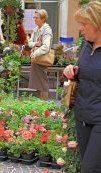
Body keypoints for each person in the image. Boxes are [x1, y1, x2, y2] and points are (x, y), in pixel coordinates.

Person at [63, 1, 101, 172]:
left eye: (84, 24)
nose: (81, 28)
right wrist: (71, 71)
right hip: (83, 116)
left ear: (97, 23)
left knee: (89, 168)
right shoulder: (86, 45)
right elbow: (86, 73)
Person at [28, 9, 53, 100]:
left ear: (43, 19)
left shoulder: (47, 30)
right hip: (36, 59)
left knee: (42, 83)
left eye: (37, 18)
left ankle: (44, 105)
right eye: (34, 17)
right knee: (37, 83)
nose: (35, 19)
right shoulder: (36, 29)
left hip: (41, 59)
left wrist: (35, 53)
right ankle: (40, 103)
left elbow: (46, 47)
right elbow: (29, 43)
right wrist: (35, 44)